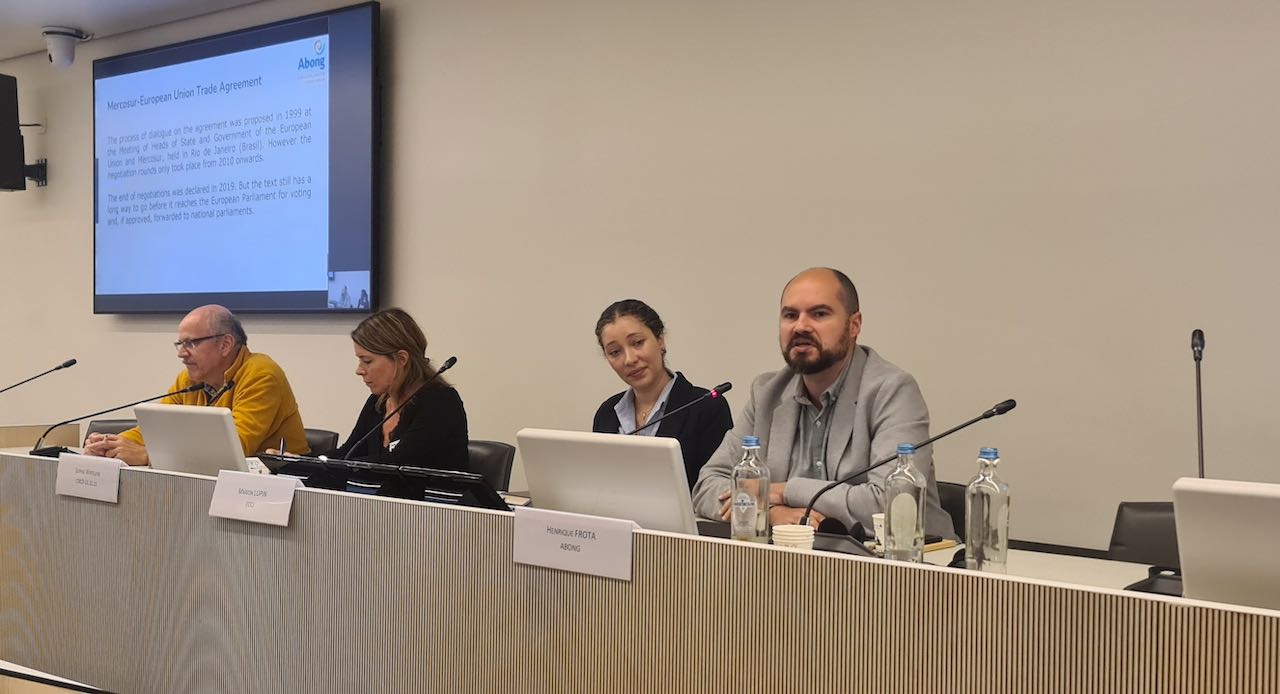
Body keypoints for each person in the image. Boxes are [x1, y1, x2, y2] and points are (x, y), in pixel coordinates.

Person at [691, 268, 956, 539]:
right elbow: (707, 486)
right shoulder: (767, 393)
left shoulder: (892, 390)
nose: (800, 326)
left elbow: (891, 504)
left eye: (819, 314)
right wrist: (769, 513)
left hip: (904, 559)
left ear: (854, 325)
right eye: (790, 315)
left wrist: (785, 491)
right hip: (796, 556)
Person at [84, 304, 309, 465]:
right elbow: (157, 430)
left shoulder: (261, 373)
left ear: (225, 344)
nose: (181, 353)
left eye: (191, 343)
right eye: (180, 344)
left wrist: (146, 456)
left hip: (280, 485)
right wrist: (111, 444)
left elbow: (234, 448)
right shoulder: (189, 379)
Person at [592, 299, 733, 490]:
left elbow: (716, 488)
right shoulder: (607, 412)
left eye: (637, 343)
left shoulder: (706, 406)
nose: (629, 359)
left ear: (660, 340)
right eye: (615, 352)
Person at [332, 308, 469, 470]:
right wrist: (306, 461)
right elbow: (348, 453)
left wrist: (343, 466)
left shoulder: (440, 402)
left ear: (402, 358)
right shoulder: (379, 401)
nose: (359, 370)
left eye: (367, 361)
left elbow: (397, 465)